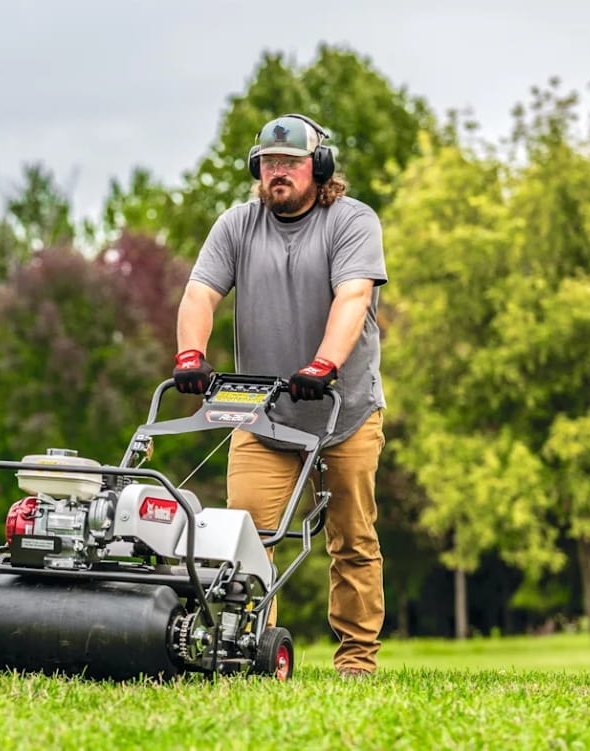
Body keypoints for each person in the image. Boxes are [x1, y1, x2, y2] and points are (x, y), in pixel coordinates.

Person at [172, 113, 387, 677]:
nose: (278, 174)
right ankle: (250, 652)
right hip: (263, 416)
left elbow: (353, 297)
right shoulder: (237, 225)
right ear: (256, 169)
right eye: (269, 164)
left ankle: (356, 661)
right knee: (245, 537)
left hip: (345, 413)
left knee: (353, 540)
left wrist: (324, 363)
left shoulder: (352, 221)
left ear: (319, 169)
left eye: (290, 164)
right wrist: (191, 356)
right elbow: (199, 293)